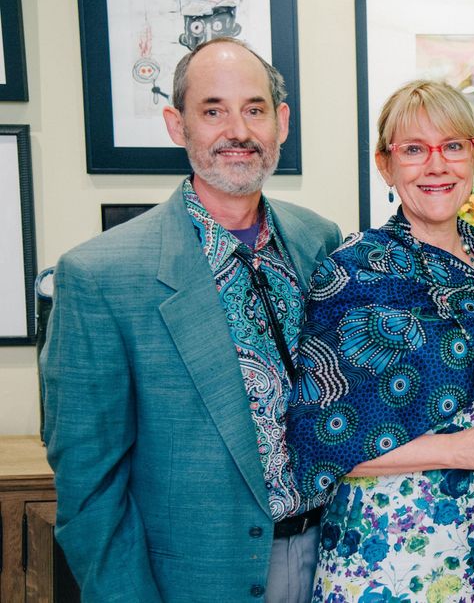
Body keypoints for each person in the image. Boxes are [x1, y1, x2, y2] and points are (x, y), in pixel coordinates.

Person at [41, 37, 342, 603]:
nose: (238, 131)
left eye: (254, 109)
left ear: (281, 122)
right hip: (195, 581)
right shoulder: (100, 275)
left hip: (335, 561)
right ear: (177, 125)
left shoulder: (318, 240)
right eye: (213, 111)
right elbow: (88, 486)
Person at [286, 80, 474, 602]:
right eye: (414, 149)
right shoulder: (354, 272)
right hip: (389, 551)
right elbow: (317, 444)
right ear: (385, 165)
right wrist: (465, 447)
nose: (437, 166)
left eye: (452, 146)